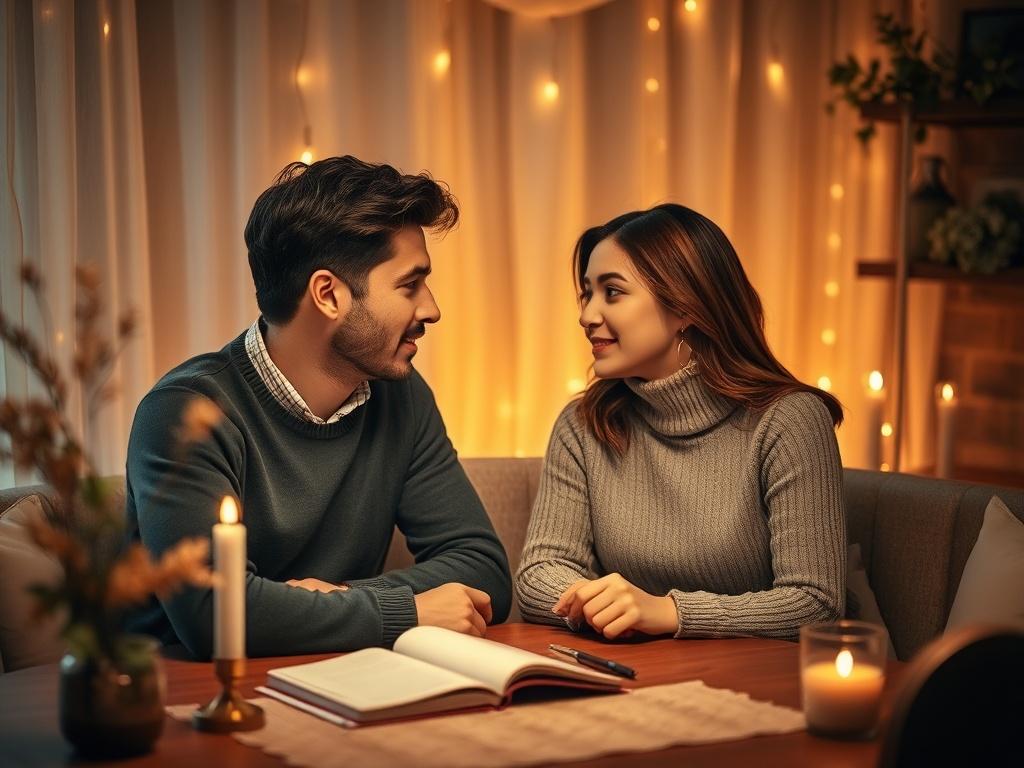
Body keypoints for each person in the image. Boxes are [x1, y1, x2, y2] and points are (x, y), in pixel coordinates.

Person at [125, 156, 511, 659]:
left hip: (346, 678)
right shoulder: (185, 413)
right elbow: (213, 617)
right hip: (190, 703)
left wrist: (348, 599)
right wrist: (407, 612)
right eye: (409, 284)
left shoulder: (402, 396)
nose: (431, 309)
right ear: (328, 294)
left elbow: (484, 569)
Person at [515, 203, 845, 642]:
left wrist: (670, 613)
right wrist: (607, 608)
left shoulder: (790, 421)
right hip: (635, 674)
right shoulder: (583, 423)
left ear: (685, 305)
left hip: (761, 682)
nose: (588, 315)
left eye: (612, 292)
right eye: (586, 294)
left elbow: (815, 603)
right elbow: (539, 575)